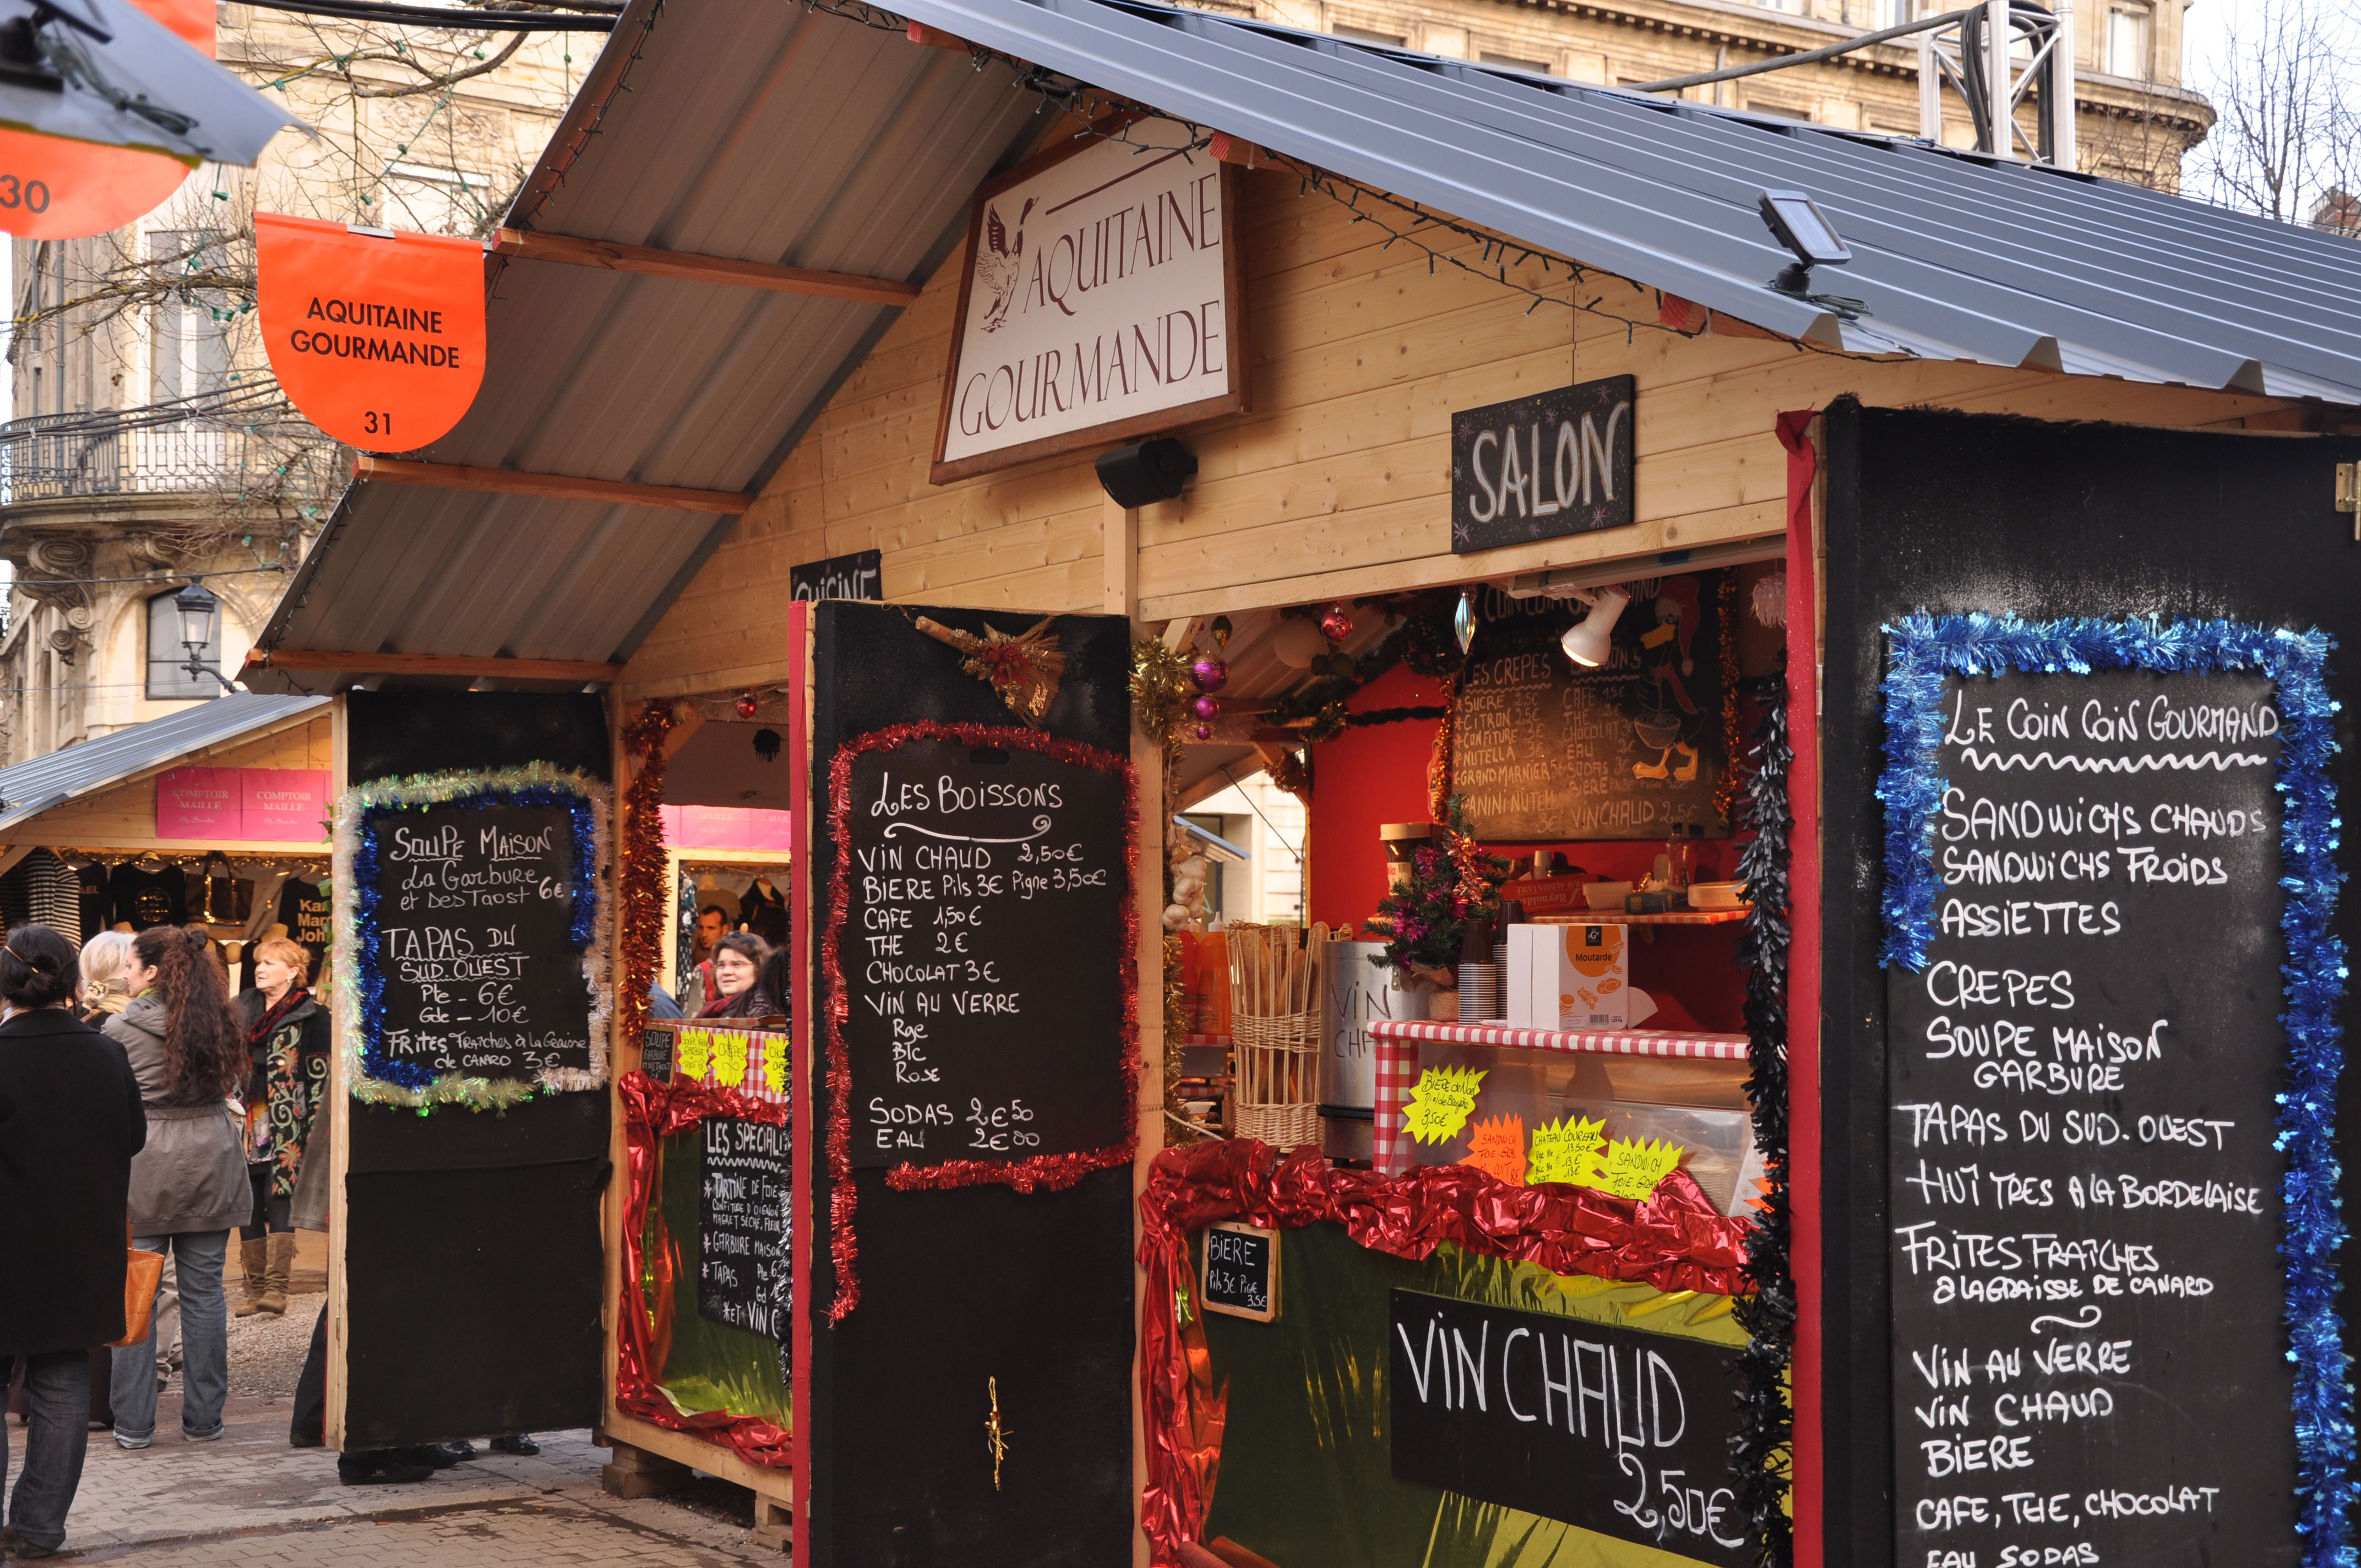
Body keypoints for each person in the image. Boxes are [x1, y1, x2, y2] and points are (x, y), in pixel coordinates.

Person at [0, 925, 145, 1558]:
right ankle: (38, 1527)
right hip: (82, 1244)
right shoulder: (106, 1052)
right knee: (63, 1382)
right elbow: (133, 1137)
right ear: (72, 982)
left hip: (6, 1246)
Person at [105, 925, 247, 1451]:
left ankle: (134, 1424)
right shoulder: (219, 1019)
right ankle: (205, 1420)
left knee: (136, 1293)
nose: (124, 973)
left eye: (130, 964)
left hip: (144, 1159)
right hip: (212, 1153)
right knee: (206, 1293)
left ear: (151, 972)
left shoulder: (119, 1029)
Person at [231, 939, 329, 1317]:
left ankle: (276, 1289)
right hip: (246, 1116)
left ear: (293, 971)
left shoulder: (312, 1014)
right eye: (260, 962)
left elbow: (320, 1073)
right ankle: (254, 1290)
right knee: (248, 1199)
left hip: (289, 1119)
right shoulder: (240, 1010)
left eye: (271, 962)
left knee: (279, 1195)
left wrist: (316, 1126)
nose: (261, 968)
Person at [698, 933, 779, 1019]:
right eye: (721, 965)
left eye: (737, 964)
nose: (726, 972)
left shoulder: (764, 1013)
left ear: (759, 969)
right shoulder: (715, 1009)